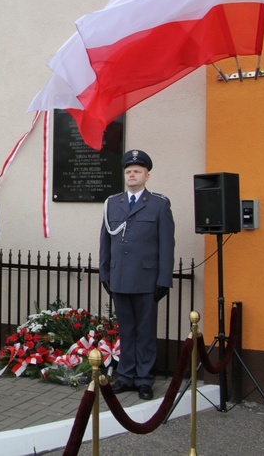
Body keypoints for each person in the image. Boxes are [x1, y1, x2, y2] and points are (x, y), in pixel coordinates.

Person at [99, 150, 175, 401]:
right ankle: (126, 376)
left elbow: (166, 245)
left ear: (147, 175)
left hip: (146, 279)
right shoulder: (113, 203)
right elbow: (105, 240)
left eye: (137, 171)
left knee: (144, 331)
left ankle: (144, 379)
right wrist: (105, 272)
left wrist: (164, 279)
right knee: (126, 330)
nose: (132, 175)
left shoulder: (158, 204)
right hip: (120, 277)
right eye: (128, 171)